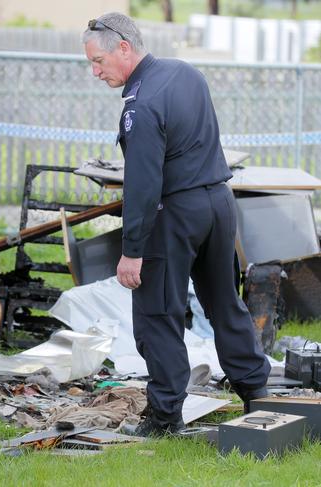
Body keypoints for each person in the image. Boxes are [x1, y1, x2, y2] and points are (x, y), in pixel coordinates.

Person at [82, 13, 271, 436]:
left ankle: (164, 417)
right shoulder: (184, 73)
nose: (94, 71)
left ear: (124, 49)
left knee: (157, 313)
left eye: (98, 61)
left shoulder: (141, 105)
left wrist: (132, 251)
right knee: (225, 303)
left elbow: (144, 184)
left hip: (175, 213)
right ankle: (257, 395)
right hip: (219, 204)